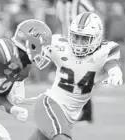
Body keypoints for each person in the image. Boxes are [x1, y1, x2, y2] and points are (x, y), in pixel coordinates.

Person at [16, 12, 123, 140]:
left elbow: (111, 64)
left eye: (84, 38)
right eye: (76, 37)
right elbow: (33, 53)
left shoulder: (104, 51)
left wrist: (114, 72)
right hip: (50, 104)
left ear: (97, 38)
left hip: (69, 117)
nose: (78, 42)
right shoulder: (60, 45)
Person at [56, 0, 95, 122]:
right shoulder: (60, 4)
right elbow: (62, 24)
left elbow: (94, 20)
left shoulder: (82, 3)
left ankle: (86, 113)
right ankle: (78, 112)